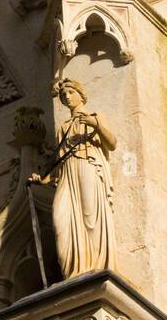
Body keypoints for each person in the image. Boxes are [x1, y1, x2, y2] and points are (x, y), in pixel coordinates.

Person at [31, 77, 116, 278]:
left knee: (90, 216)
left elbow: (112, 143)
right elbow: (59, 163)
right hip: (68, 174)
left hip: (87, 165)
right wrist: (43, 180)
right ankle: (73, 270)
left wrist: (95, 124)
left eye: (70, 93)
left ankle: (95, 265)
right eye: (63, 95)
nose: (67, 97)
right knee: (60, 219)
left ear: (81, 95)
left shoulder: (96, 116)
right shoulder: (63, 128)